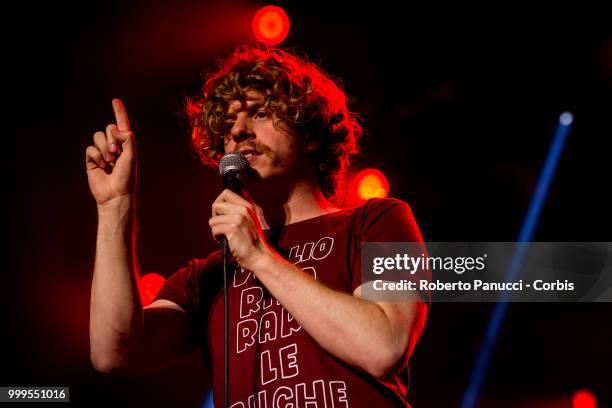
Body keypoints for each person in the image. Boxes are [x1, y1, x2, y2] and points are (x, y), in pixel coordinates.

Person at [87, 45, 429, 407]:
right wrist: (114, 205)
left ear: (310, 131)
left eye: (261, 113)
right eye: (228, 125)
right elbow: (114, 352)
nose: (238, 130)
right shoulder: (207, 275)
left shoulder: (378, 221)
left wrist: (261, 259)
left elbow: (384, 346)